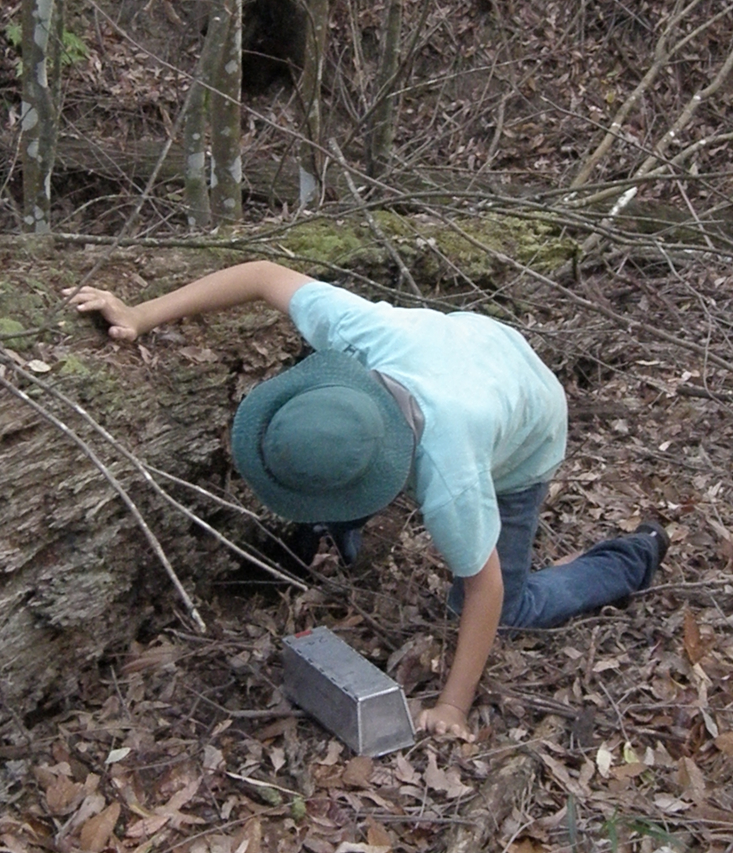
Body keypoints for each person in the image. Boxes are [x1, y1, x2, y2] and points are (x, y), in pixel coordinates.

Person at [63, 261, 669, 741]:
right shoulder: (361, 330)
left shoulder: (452, 479)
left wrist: (452, 704)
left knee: (511, 608)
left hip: (527, 425)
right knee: (325, 448)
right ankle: (337, 513)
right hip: (471, 344)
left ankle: (633, 555)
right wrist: (140, 313)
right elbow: (262, 273)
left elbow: (486, 592)